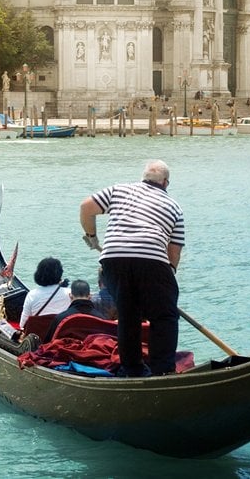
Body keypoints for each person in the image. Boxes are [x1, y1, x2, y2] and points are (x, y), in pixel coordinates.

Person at [80, 159, 184, 377]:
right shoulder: (174, 206)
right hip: (153, 260)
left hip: (113, 259)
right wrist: (169, 275)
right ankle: (163, 371)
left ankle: (133, 370)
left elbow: (86, 207)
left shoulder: (119, 190)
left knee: (128, 316)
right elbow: (174, 250)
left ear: (143, 178)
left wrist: (92, 237)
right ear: (166, 183)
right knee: (164, 316)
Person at [18, 257, 70, 327]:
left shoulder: (32, 295)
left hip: (37, 336)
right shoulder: (71, 293)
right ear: (60, 273)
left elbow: (23, 324)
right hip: (60, 335)